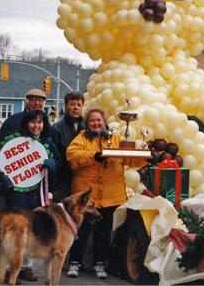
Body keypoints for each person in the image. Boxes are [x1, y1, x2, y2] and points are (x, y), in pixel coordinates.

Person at [65, 108, 147, 279]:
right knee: (81, 231)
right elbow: (73, 157)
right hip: (86, 198)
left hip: (111, 196)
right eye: (92, 121)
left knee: (104, 232)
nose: (96, 123)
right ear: (87, 124)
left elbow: (129, 159)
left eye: (99, 120)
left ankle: (99, 264)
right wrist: (94, 156)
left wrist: (145, 156)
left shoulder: (116, 139)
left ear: (105, 123)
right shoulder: (81, 139)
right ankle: (74, 263)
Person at [0, 88, 48, 279]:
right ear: (27, 100)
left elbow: (47, 147)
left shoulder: (45, 122)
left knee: (27, 225)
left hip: (31, 184)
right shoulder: (13, 121)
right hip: (6, 181)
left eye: (40, 100)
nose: (37, 103)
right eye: (33, 99)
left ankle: (24, 266)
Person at [51, 91, 85, 202]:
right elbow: (55, 159)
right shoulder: (56, 129)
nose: (75, 108)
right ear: (66, 106)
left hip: (84, 180)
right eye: (72, 104)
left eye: (79, 105)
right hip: (64, 183)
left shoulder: (88, 126)